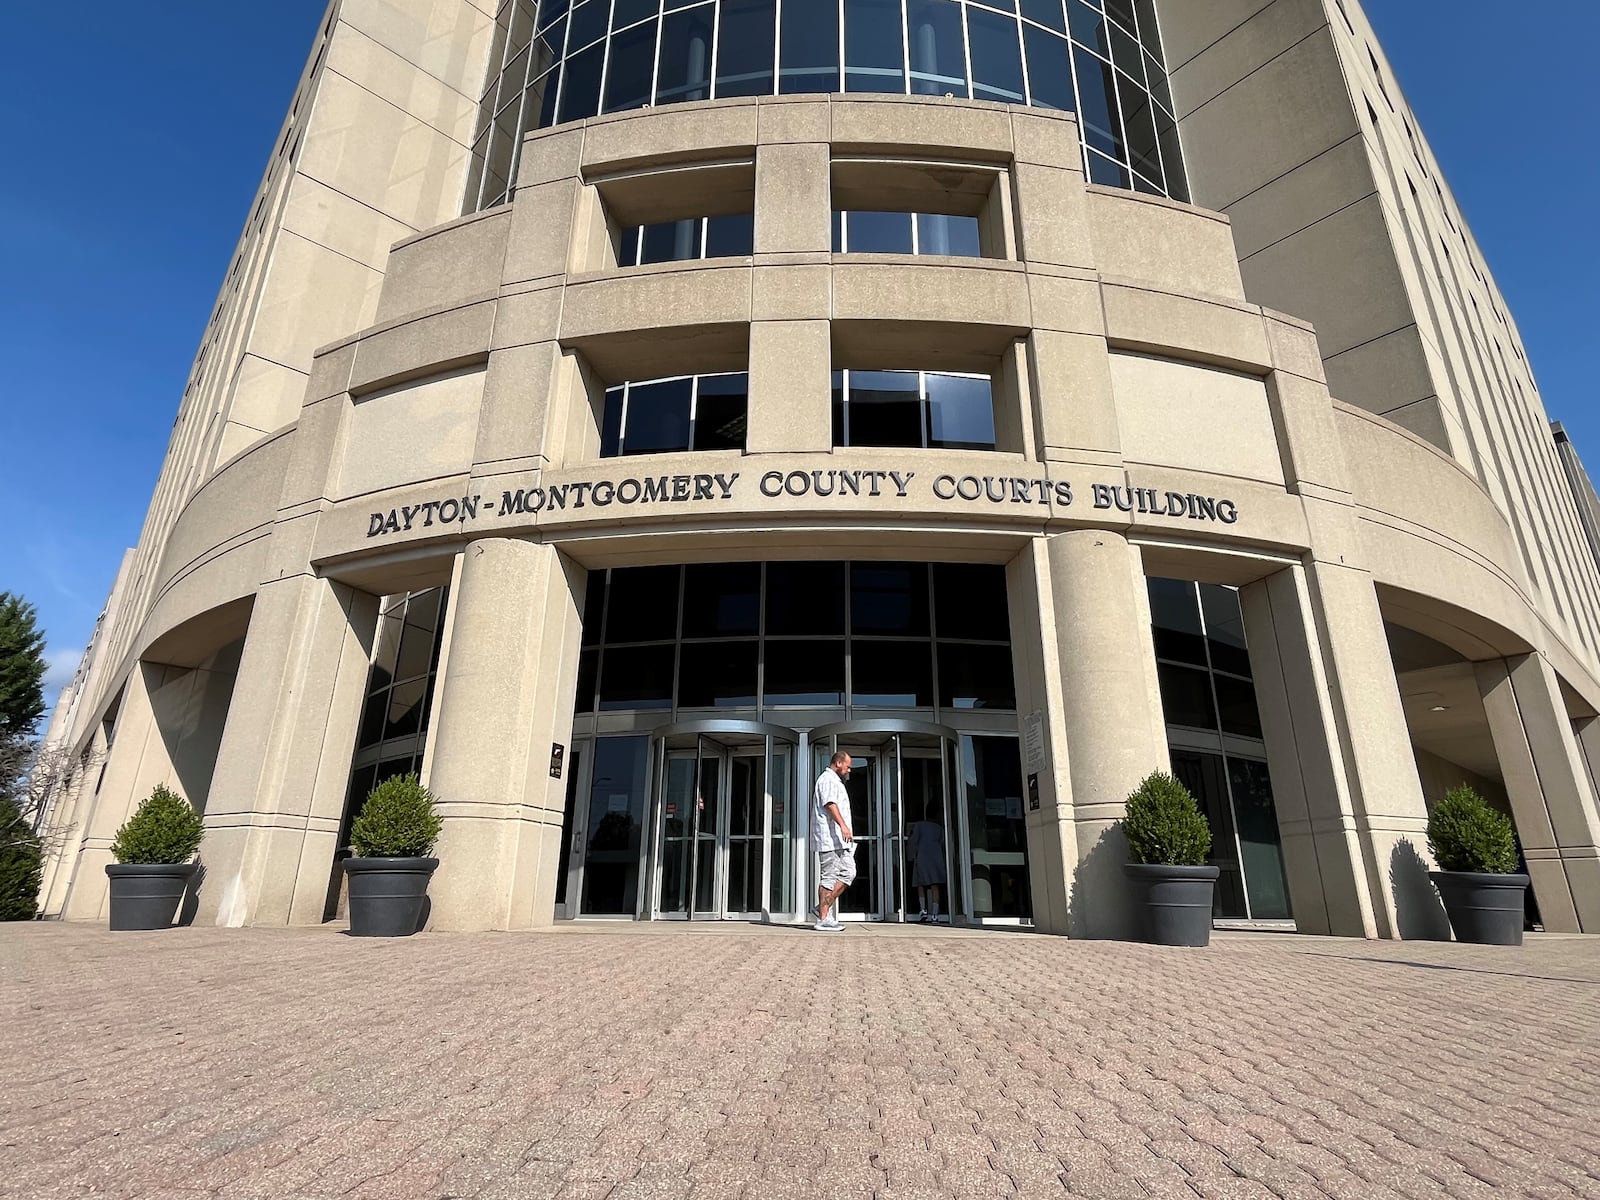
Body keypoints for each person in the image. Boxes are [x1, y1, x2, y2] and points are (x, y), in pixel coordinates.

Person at [810, 752, 854, 931]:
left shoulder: (835, 781)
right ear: (838, 763)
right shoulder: (827, 779)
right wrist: (843, 826)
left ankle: (822, 906)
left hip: (840, 841)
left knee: (848, 873)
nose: (849, 769)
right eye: (848, 766)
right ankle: (823, 918)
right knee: (829, 876)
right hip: (829, 838)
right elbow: (830, 804)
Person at [908, 804, 946, 922]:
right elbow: (942, 842)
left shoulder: (919, 825)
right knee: (935, 885)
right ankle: (935, 914)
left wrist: (911, 856)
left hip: (922, 857)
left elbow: (913, 841)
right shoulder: (939, 828)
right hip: (936, 858)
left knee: (920, 884)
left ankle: (923, 910)